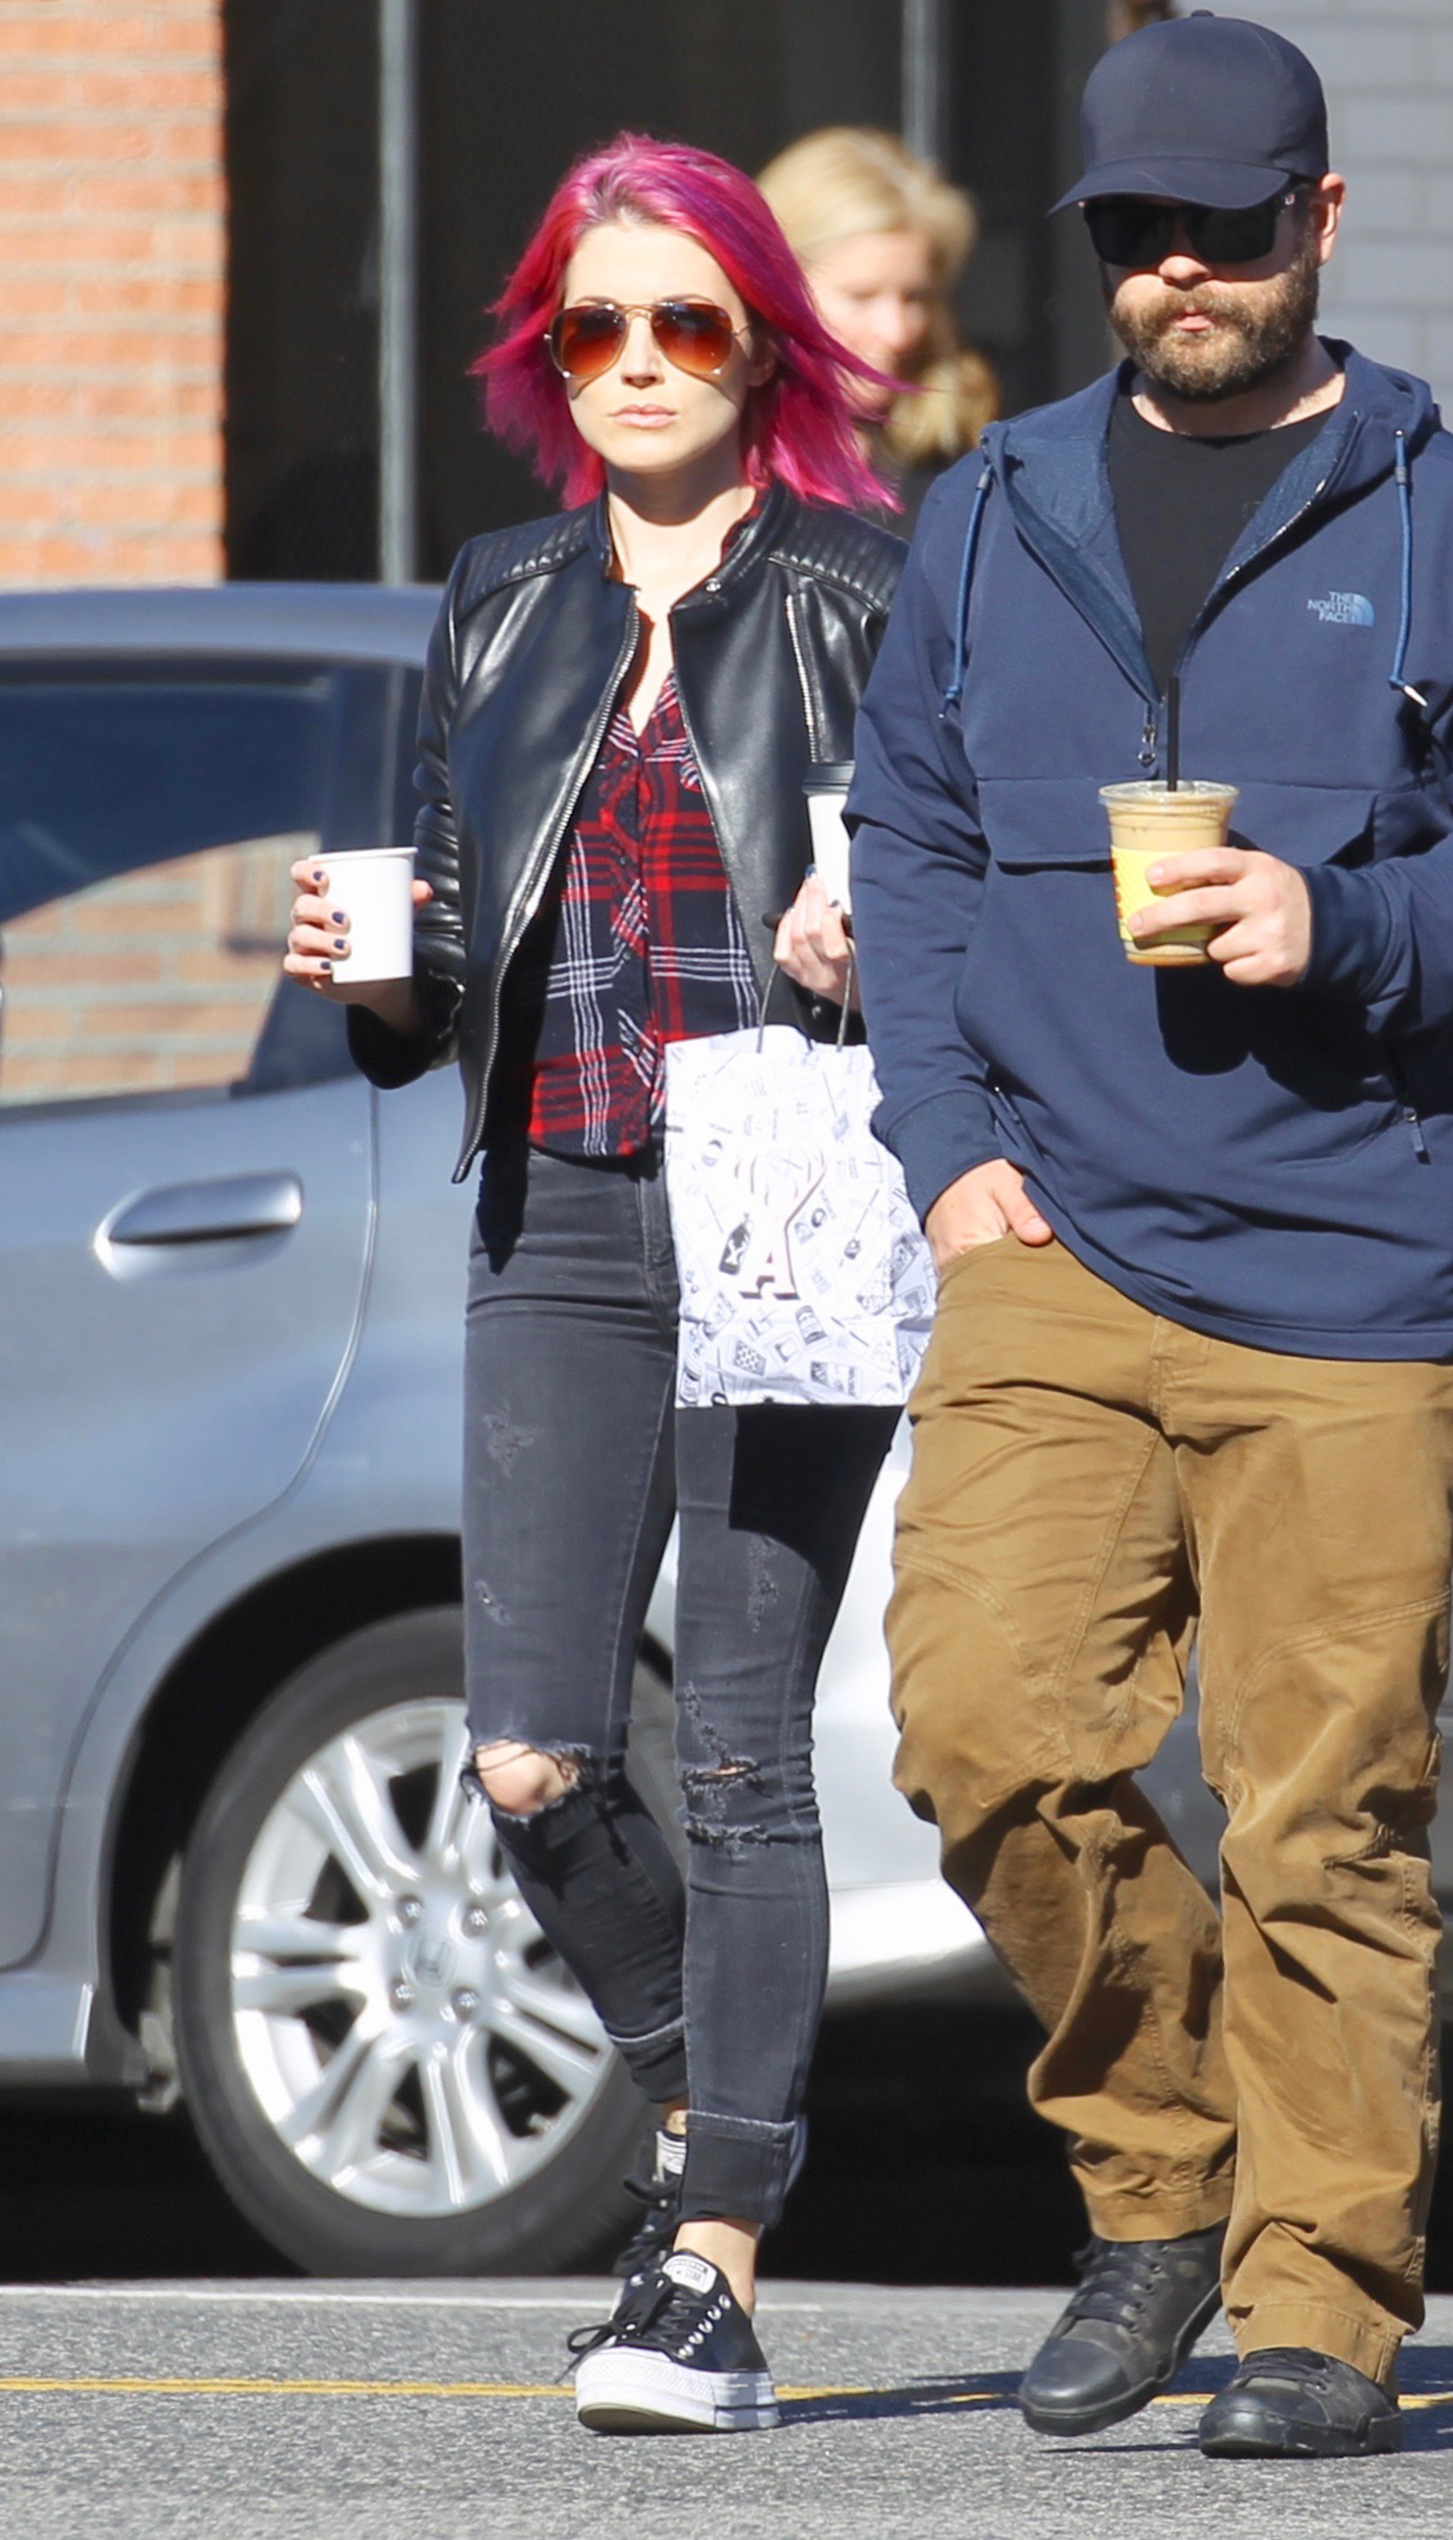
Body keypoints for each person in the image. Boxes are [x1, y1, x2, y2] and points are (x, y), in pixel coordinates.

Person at [848, 13, 1453, 2463]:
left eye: (1221, 229)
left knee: (1321, 1817)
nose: (1175, 273)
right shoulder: (991, 513)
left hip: (1349, 1278)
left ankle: (1318, 2300)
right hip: (1051, 1244)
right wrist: (945, 1146)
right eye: (1132, 236)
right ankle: (1159, 2183)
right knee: (979, 1728)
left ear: (1320, 221)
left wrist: (1350, 922)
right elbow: (901, 838)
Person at [284, 132, 904, 2436]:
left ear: (757, 346)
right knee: (534, 1751)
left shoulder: (866, 587)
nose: (638, 364)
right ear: (550, 356)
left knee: (739, 1743)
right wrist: (362, 966)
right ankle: (696, 2112)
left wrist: (886, 934)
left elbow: (965, 882)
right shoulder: (504, 594)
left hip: (779, 1178)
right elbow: (441, 945)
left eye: (687, 324)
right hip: (550, 1192)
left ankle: (714, 2264)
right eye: (595, 327)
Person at [758, 126, 1000, 533]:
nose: (896, 333)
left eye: (914, 298)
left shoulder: (965, 470)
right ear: (773, 293)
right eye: (860, 296)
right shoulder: (709, 472)